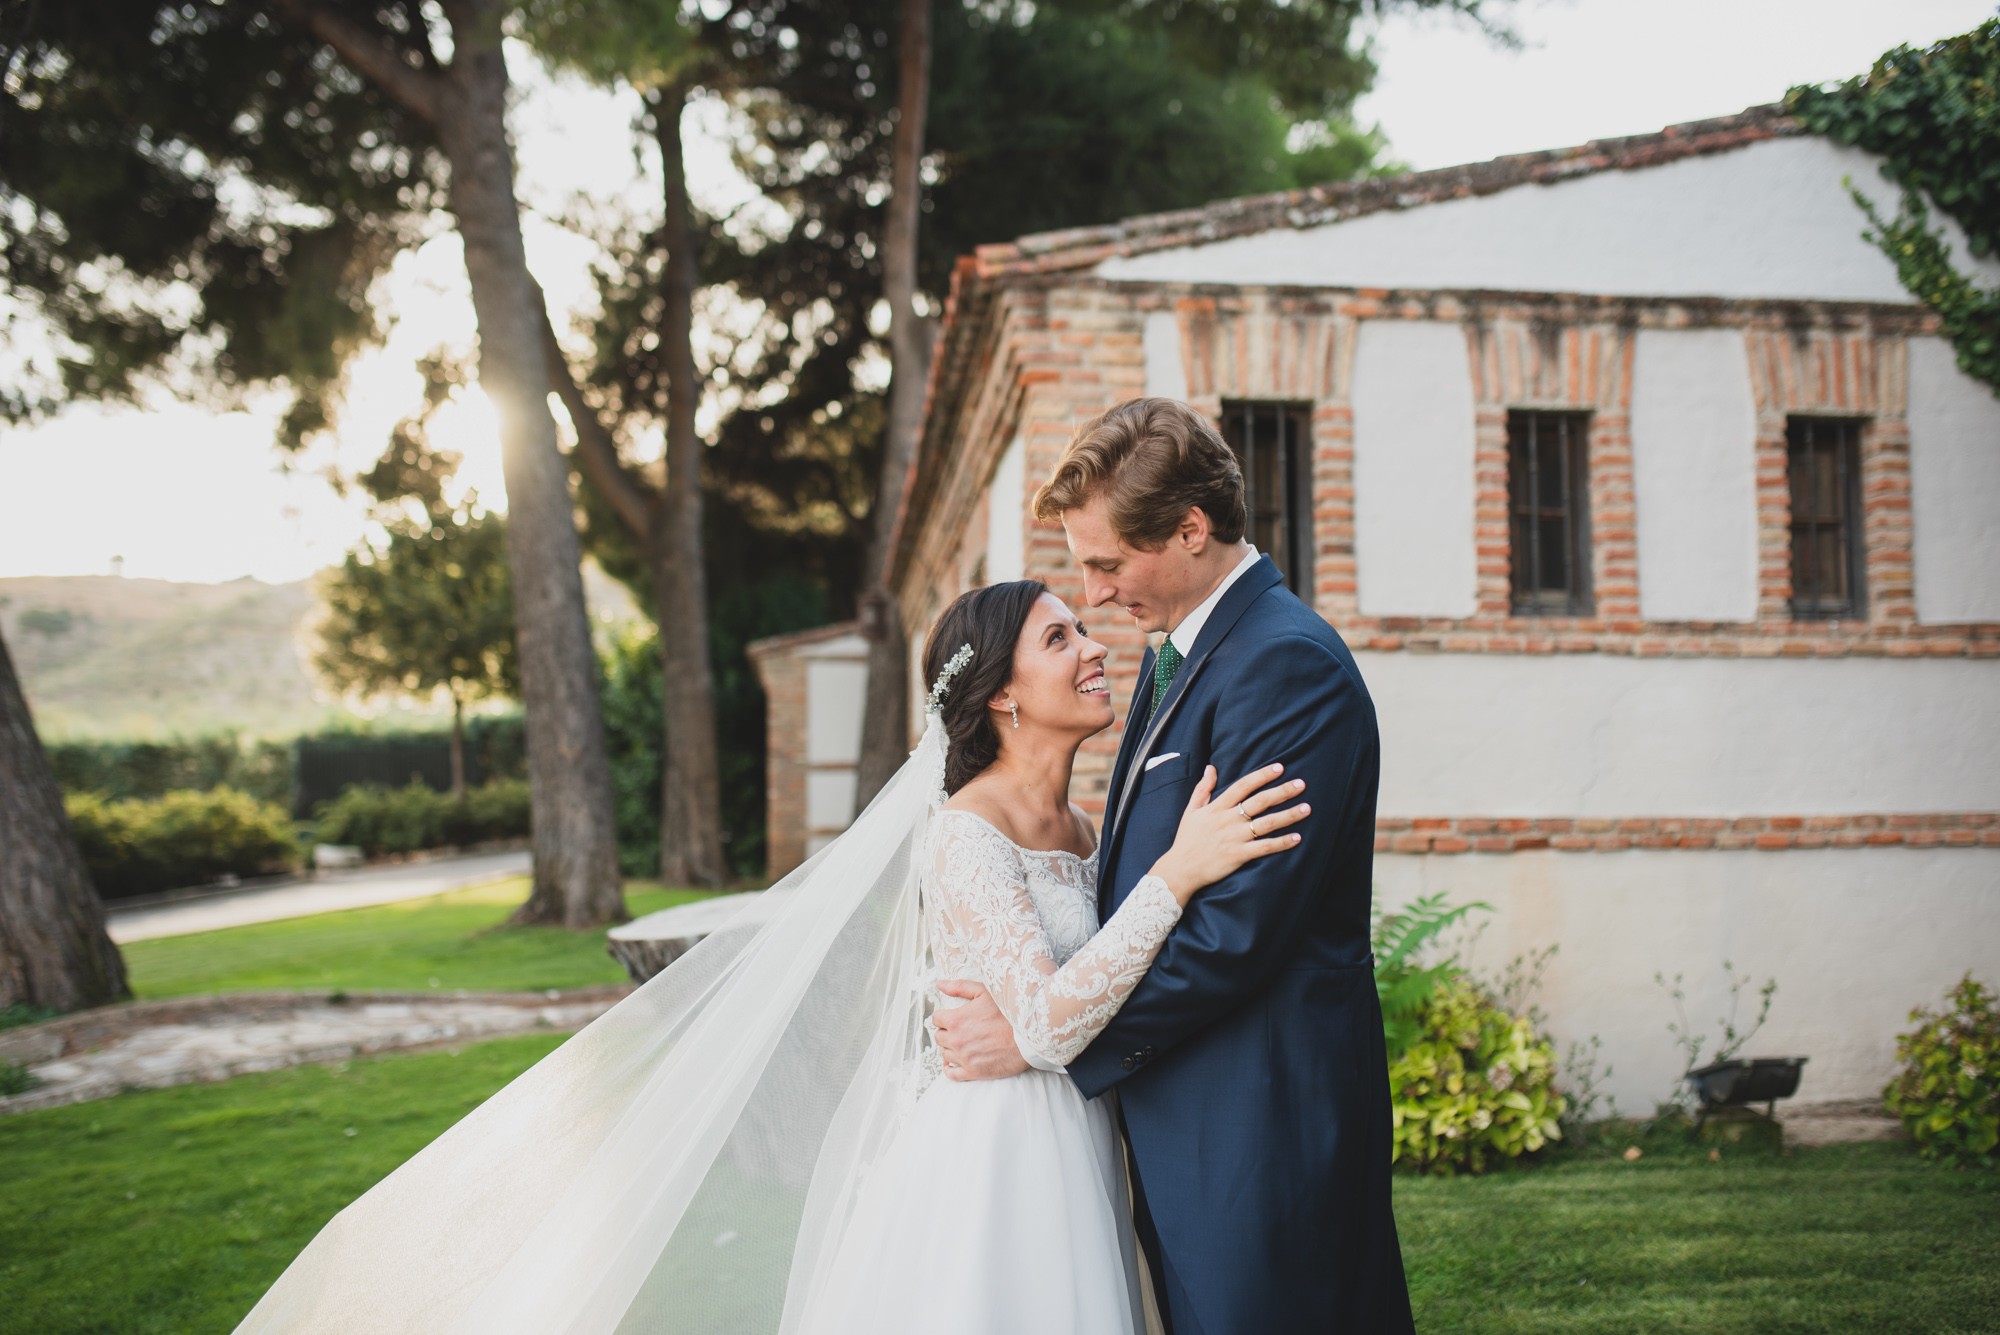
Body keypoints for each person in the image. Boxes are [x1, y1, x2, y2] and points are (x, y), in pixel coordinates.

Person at [231, 576, 1304, 1334]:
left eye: (1084, 626)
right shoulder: (963, 833)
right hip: (996, 1155)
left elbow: (1060, 1010)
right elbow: (1052, 1018)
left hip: (1084, 1130)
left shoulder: (1087, 829)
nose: (1093, 648)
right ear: (1002, 696)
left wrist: (1061, 992)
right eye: (1060, 637)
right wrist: (1178, 875)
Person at [933, 397, 1416, 1334]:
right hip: (1179, 1127)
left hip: (1257, 1127)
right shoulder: (1181, 660)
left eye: (1108, 563)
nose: (1097, 592)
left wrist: (1043, 1040)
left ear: (1191, 529)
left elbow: (1234, 934)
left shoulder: (1284, 667)